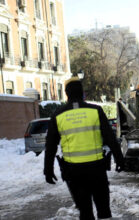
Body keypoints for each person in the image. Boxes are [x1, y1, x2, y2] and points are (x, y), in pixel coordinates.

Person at [44, 77, 124, 220]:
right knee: (104, 209)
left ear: (66, 94)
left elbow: (50, 146)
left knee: (85, 212)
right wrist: (120, 159)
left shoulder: (58, 115)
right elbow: (110, 139)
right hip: (97, 170)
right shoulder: (96, 111)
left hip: (73, 172)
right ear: (82, 93)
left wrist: (48, 169)